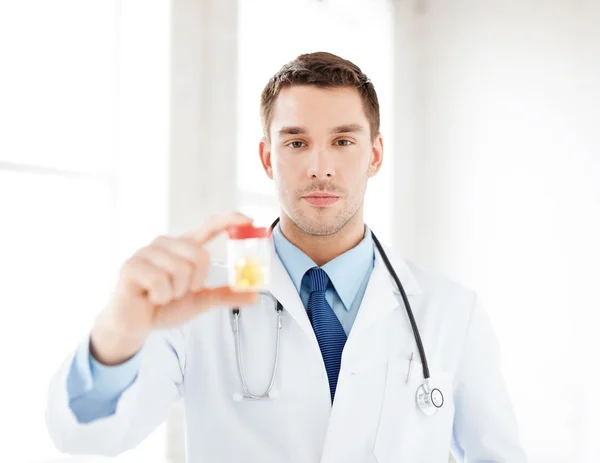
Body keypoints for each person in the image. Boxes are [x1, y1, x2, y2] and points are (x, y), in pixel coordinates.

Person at [46, 52, 527, 462]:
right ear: (267, 158)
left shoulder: (450, 312)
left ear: (375, 155)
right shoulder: (196, 305)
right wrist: (117, 332)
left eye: (343, 141)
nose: (320, 167)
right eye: (296, 143)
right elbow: (86, 434)